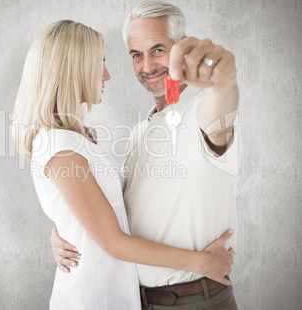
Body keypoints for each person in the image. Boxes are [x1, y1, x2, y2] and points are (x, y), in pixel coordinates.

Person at [13, 19, 235, 310]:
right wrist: (203, 262)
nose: (106, 75)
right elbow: (114, 242)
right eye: (98, 63)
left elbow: (93, 212)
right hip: (92, 299)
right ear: (72, 69)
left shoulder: (78, 137)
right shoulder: (60, 145)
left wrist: (64, 226)